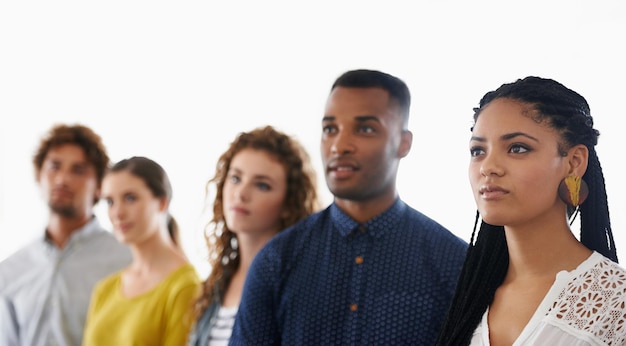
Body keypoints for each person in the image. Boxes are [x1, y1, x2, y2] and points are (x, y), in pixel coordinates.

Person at [230, 69, 468, 345]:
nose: (339, 146)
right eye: (330, 129)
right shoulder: (276, 260)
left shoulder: (454, 262)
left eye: (365, 129)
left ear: (404, 143)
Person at [435, 76, 626, 346]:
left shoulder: (617, 301)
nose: (488, 167)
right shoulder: (467, 295)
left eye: (517, 148)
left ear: (573, 163)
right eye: (478, 151)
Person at [187, 125, 321, 346]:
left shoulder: (300, 284)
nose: (241, 193)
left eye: (262, 185)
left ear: (289, 203)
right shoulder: (218, 282)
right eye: (236, 178)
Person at [0, 123, 132, 346]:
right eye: (54, 167)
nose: (62, 179)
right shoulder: (10, 270)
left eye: (78, 170)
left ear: (100, 185)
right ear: (39, 175)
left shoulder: (127, 261)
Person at [82, 156, 201, 345]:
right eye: (110, 202)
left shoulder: (185, 287)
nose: (117, 213)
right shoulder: (105, 289)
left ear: (162, 203)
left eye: (130, 198)